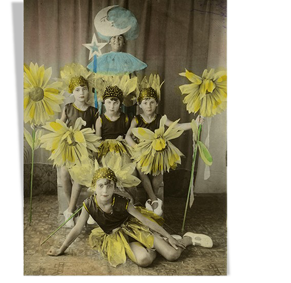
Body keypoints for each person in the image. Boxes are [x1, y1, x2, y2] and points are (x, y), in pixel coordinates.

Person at [47, 166, 213, 268]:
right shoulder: (89, 204)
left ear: (114, 187)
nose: (105, 190)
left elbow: (145, 220)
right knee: (144, 260)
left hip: (137, 229)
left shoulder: (122, 202)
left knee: (172, 255)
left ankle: (187, 239)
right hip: (121, 238)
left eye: (109, 185)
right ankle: (154, 248)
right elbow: (76, 229)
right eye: (101, 186)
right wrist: (61, 249)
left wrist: (169, 237)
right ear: (94, 188)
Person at [125, 84, 203, 216]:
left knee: (157, 177)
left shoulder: (161, 118)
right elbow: (127, 136)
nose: (149, 106)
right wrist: (136, 147)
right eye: (145, 103)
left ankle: (151, 199)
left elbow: (176, 126)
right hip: (142, 153)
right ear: (140, 105)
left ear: (157, 104)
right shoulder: (136, 119)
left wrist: (194, 124)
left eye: (152, 102)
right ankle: (154, 200)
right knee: (142, 171)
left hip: (157, 152)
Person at [59, 75, 98, 227]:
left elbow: (97, 132)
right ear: (72, 92)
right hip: (71, 146)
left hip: (86, 149)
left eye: (84, 89)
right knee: (64, 172)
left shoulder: (93, 111)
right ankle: (72, 207)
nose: (81, 93)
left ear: (88, 91)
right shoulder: (68, 108)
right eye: (77, 90)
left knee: (79, 174)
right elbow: (60, 127)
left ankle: (70, 210)